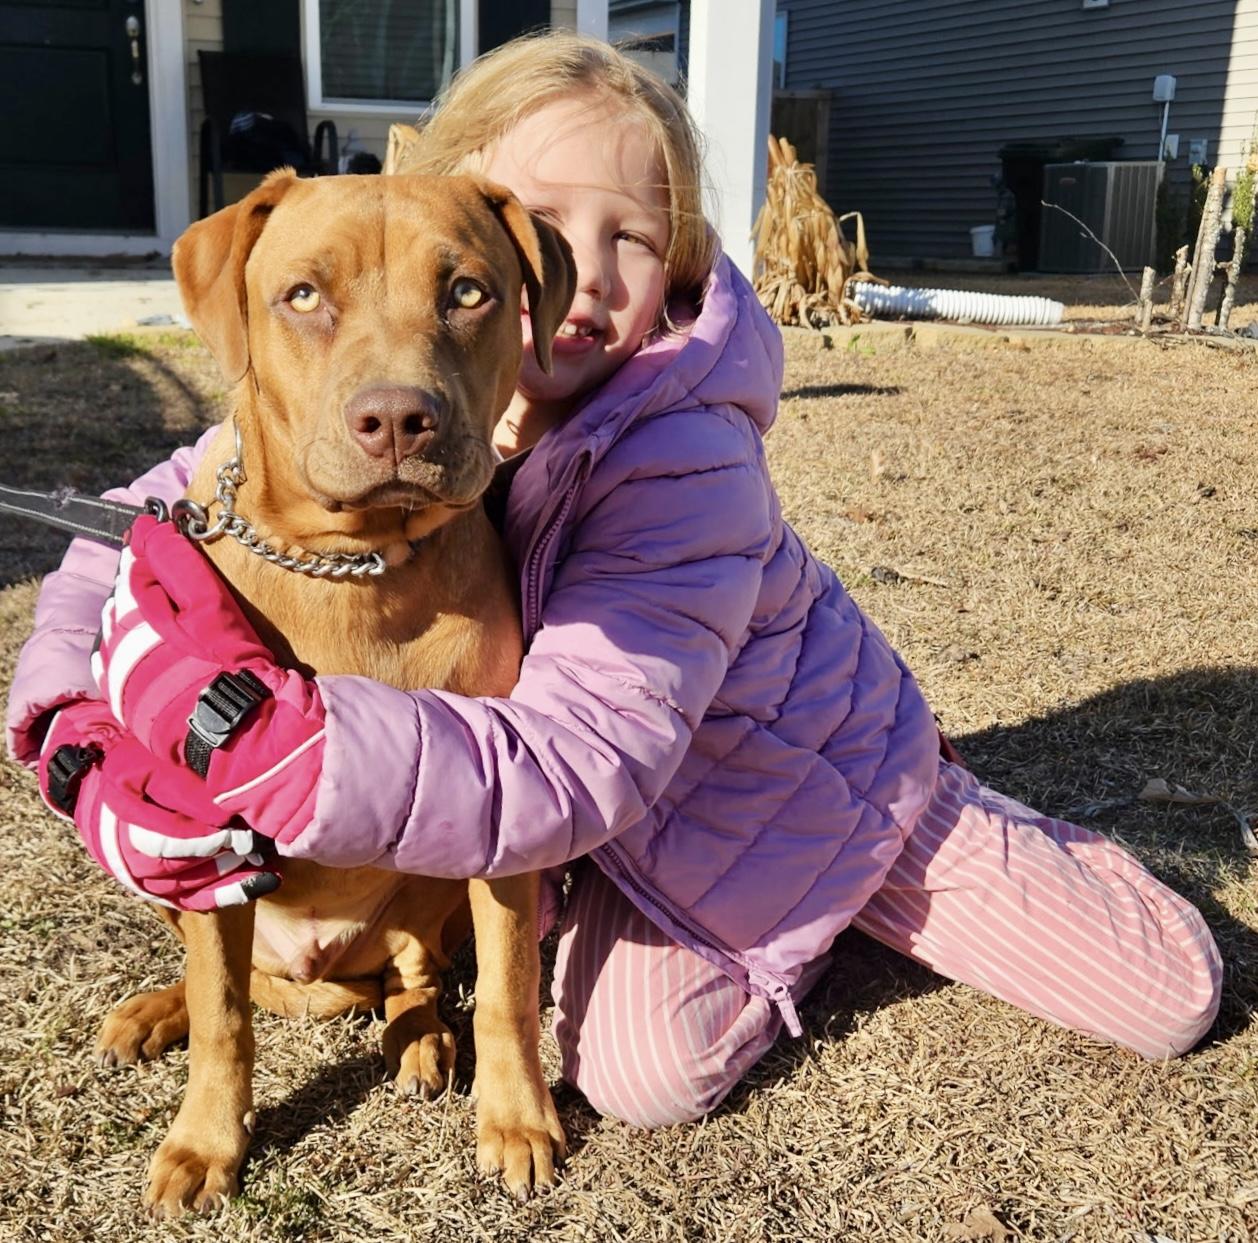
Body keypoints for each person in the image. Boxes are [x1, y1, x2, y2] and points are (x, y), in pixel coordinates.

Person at [7, 32, 1222, 1130]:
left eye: (627, 239)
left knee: (1165, 993)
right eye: (545, 229)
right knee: (650, 1076)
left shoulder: (685, 454)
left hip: (815, 780)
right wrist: (70, 707)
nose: (581, 279)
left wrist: (286, 750)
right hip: (624, 832)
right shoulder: (351, 431)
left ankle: (942, 828)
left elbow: (559, 763)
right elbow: (122, 530)